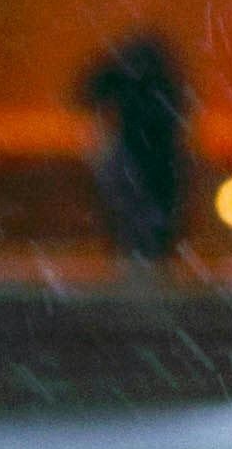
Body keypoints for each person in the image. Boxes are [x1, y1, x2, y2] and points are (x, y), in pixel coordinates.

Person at [78, 28, 189, 272]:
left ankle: (138, 256)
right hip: (154, 156)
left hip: (138, 154)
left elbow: (88, 93)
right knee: (148, 218)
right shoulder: (162, 85)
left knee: (134, 215)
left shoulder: (128, 76)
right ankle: (148, 256)